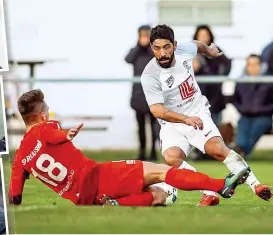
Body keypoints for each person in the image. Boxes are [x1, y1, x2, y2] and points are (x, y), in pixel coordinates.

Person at [8, 90, 250, 207]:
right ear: (40, 115)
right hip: (98, 176)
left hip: (83, 198)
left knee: (158, 194)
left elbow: (15, 195)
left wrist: (16, 203)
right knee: (160, 171)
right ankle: (221, 185)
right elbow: (51, 134)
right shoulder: (46, 127)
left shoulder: (20, 158)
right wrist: (66, 133)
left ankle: (114, 204)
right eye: (47, 109)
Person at [140, 24, 272, 206]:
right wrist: (185, 119)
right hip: (172, 122)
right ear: (152, 48)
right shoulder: (150, 75)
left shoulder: (185, 50)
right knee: (171, 159)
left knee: (217, 150)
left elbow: (197, 44)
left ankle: (256, 185)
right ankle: (209, 192)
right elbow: (157, 110)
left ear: (175, 45)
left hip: (197, 112)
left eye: (166, 47)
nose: (162, 53)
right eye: (156, 48)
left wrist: (208, 50)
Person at [125, 25, 159, 161]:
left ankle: (153, 151)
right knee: (140, 127)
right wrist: (139, 46)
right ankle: (142, 151)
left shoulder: (155, 51)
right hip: (138, 94)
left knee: (154, 126)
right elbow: (128, 59)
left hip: (153, 93)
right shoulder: (136, 51)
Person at [233, 54, 273, 157]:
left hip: (264, 116)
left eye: (255, 64)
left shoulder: (269, 80)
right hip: (246, 115)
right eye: (250, 64)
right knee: (242, 129)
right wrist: (242, 109)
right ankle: (240, 150)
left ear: (261, 65)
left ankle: (241, 152)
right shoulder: (241, 81)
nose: (253, 67)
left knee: (256, 129)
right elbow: (235, 99)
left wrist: (265, 109)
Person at [192, 25, 231, 127]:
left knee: (214, 129)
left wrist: (218, 77)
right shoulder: (192, 52)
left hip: (215, 97)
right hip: (197, 97)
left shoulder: (215, 49)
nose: (203, 37)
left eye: (206, 34)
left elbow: (227, 65)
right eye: (201, 35)